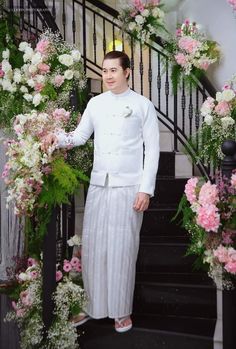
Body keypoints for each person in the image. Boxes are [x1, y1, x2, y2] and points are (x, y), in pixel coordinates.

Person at [44, 51, 160, 332]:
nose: (108, 75)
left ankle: (121, 311)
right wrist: (56, 137)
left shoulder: (143, 106)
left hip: (129, 189)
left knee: (123, 249)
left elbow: (153, 150)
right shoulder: (95, 104)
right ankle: (92, 306)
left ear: (127, 72)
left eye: (113, 70)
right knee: (94, 248)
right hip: (99, 186)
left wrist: (145, 190)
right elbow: (80, 136)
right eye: (105, 71)